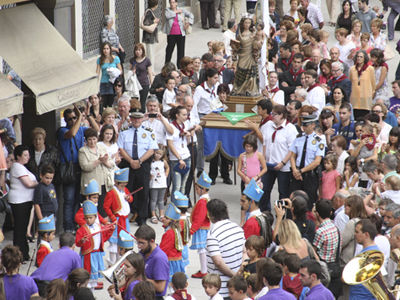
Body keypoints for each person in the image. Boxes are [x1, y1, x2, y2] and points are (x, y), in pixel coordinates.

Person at [117, 108, 158, 226]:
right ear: (131, 118)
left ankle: (142, 218)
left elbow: (151, 150)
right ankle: (123, 216)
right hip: (127, 163)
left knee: (143, 191)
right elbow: (121, 148)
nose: (136, 120)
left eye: (139, 118)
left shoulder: (149, 131)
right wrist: (131, 161)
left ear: (142, 119)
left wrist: (139, 161)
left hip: (143, 164)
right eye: (134, 118)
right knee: (125, 191)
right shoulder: (124, 131)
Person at [259, 105, 297, 212]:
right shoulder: (269, 126)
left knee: (283, 192)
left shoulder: (290, 129)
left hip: (283, 167)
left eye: (274, 114)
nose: (272, 116)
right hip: (269, 164)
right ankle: (265, 212)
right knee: (264, 189)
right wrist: (264, 159)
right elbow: (265, 142)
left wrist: (283, 163)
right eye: (271, 114)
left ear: (281, 115)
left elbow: (292, 149)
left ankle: (281, 215)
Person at [206, 199, 245, 299]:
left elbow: (218, 262)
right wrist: (239, 273)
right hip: (237, 289)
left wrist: (234, 276)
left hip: (222, 290)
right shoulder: (238, 228)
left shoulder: (212, 234)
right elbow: (245, 252)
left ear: (211, 214)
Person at [58, 105, 88, 233]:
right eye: (70, 119)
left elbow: (97, 130)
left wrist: (88, 115)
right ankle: (68, 228)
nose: (73, 121)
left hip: (79, 167)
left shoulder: (81, 129)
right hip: (68, 168)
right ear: (65, 120)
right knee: (69, 200)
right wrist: (80, 117)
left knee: (78, 199)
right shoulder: (61, 130)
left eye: (74, 118)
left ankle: (76, 224)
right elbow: (72, 133)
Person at [8, 145, 38, 262]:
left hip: (25, 201)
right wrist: (37, 183)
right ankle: (18, 256)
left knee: (23, 228)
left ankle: (24, 254)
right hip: (19, 201)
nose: (27, 157)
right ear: (18, 156)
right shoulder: (17, 167)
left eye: (28, 155)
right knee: (20, 230)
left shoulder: (22, 167)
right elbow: (28, 184)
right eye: (25, 155)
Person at [289, 115, 325, 210]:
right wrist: (295, 171)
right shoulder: (298, 137)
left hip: (310, 175)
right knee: (293, 200)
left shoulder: (319, 140)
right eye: (303, 125)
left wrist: (301, 171)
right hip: (296, 174)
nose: (304, 127)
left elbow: (317, 162)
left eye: (306, 125)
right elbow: (292, 155)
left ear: (313, 125)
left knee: (309, 202)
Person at [75, 201, 114, 291]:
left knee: (94, 279)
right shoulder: (82, 229)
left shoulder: (99, 227)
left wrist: (110, 230)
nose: (89, 220)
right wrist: (82, 240)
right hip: (88, 256)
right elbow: (77, 243)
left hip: (97, 255)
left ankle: (92, 294)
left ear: (95, 217)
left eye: (91, 218)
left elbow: (104, 238)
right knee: (87, 278)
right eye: (87, 218)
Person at [79, 127, 115, 216]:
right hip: (91, 184)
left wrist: (105, 161)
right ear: (86, 140)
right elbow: (85, 166)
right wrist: (98, 161)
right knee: (91, 209)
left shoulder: (102, 147)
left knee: (103, 208)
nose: (92, 142)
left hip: (103, 182)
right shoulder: (83, 151)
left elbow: (111, 163)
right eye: (89, 140)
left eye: (94, 139)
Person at [103, 168, 133, 264]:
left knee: (123, 243)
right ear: (116, 182)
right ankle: (112, 264)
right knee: (114, 244)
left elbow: (131, 198)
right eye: (121, 185)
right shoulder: (111, 192)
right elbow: (106, 206)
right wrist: (112, 218)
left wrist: (129, 198)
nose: (123, 187)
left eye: (125, 185)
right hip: (116, 220)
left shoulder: (125, 190)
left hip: (125, 220)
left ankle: (120, 264)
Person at [194, 68, 219, 176]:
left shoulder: (217, 87)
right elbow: (194, 105)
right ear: (208, 78)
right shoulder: (200, 89)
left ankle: (219, 167)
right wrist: (197, 121)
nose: (217, 80)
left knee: (215, 143)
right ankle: (200, 168)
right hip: (202, 117)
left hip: (215, 116)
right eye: (215, 78)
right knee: (201, 145)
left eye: (217, 77)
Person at [134, 225, 170, 299]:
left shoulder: (160, 258)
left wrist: (139, 277)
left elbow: (160, 287)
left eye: (141, 243)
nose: (138, 246)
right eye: (137, 242)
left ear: (152, 241)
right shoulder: (143, 252)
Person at [349, 219, 381, 299]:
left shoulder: (370, 255)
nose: (354, 234)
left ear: (366, 235)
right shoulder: (373, 251)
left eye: (357, 232)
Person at [190, 171, 212, 278]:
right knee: (203, 249)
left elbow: (200, 218)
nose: (196, 190)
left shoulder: (203, 201)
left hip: (201, 228)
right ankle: (205, 269)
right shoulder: (205, 198)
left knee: (202, 250)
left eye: (197, 189)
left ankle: (204, 271)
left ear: (203, 189)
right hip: (203, 227)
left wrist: (192, 229)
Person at [231, 16, 259, 96]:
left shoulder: (253, 35)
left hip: (250, 56)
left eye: (249, 23)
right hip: (242, 56)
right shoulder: (239, 35)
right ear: (242, 24)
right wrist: (234, 48)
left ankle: (249, 90)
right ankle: (238, 89)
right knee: (240, 71)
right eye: (245, 23)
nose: (247, 24)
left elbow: (256, 45)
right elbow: (238, 47)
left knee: (250, 73)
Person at [167, 106, 191, 196]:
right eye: (184, 115)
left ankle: (181, 208)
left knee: (183, 186)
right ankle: (175, 208)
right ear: (177, 115)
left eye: (186, 114)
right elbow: (170, 145)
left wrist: (188, 137)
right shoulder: (171, 127)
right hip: (176, 160)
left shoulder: (184, 125)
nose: (186, 116)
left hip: (187, 157)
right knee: (177, 186)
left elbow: (186, 144)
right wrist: (179, 158)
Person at [160, 203, 185, 286]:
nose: (163, 219)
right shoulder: (174, 230)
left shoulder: (169, 233)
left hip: (171, 263)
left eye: (166, 218)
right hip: (176, 261)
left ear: (173, 221)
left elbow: (163, 250)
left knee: (170, 286)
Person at [164, 0, 194, 66]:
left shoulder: (182, 10)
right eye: (171, 2)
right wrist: (177, 12)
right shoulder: (167, 10)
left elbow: (191, 15)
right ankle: (167, 65)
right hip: (171, 34)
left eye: (173, 2)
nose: (172, 4)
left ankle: (180, 65)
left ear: (176, 3)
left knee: (181, 50)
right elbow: (167, 16)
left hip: (180, 33)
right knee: (169, 50)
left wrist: (189, 23)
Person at [349, 50, 376, 119]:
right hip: (355, 98)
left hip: (365, 98)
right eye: (358, 57)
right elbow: (350, 82)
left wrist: (371, 94)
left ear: (365, 58)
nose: (359, 58)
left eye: (361, 57)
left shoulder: (370, 69)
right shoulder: (352, 69)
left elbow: (373, 84)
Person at [96, 42, 123, 108]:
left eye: (107, 48)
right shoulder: (99, 59)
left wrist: (113, 71)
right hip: (103, 83)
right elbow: (97, 72)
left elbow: (121, 71)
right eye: (104, 49)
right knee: (103, 104)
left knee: (112, 102)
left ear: (110, 49)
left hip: (112, 83)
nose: (106, 50)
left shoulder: (115, 58)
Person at [130, 43, 153, 113]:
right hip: (135, 84)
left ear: (142, 51)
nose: (138, 52)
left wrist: (152, 85)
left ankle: (142, 116)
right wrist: (132, 72)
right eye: (136, 50)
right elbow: (129, 72)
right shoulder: (132, 60)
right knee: (134, 102)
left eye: (139, 50)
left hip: (144, 83)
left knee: (142, 102)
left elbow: (150, 73)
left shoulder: (147, 60)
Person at [149, 146, 168, 224]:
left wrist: (166, 175)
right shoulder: (151, 161)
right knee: (153, 200)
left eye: (160, 154)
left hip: (162, 183)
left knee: (161, 200)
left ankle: (161, 214)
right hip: (154, 183)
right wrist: (149, 176)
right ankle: (153, 215)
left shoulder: (163, 161)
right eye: (157, 153)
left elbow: (167, 168)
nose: (158, 155)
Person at [141, 0, 160, 65]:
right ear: (155, 5)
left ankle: (151, 70)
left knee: (151, 54)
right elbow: (145, 23)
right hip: (149, 36)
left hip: (151, 36)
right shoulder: (149, 12)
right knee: (150, 54)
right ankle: (150, 70)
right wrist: (153, 21)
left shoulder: (150, 11)